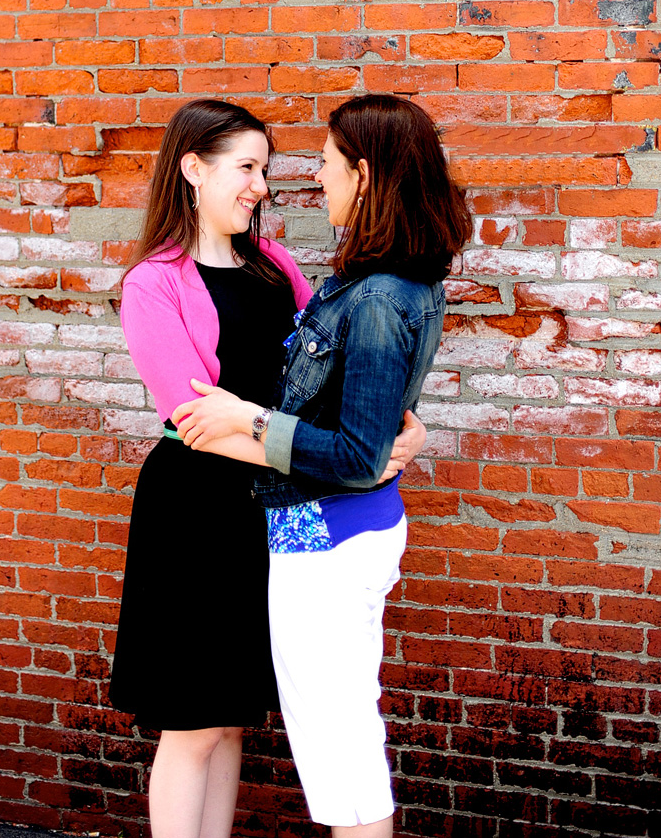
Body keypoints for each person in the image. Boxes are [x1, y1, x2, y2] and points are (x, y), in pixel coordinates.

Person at [108, 98, 425, 838]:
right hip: (194, 513)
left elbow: (335, 377)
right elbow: (198, 422)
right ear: (193, 167)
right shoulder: (153, 284)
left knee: (231, 718)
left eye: (265, 168)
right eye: (245, 167)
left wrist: (400, 431)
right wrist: (351, 460)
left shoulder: (274, 262)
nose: (261, 185)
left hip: (271, 512)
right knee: (191, 724)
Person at [172, 94, 472, 838]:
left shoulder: (375, 297)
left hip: (327, 540)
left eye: (331, 166)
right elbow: (371, 422)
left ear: (364, 176)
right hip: (333, 534)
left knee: (339, 754)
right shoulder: (383, 282)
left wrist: (250, 419)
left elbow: (355, 453)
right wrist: (408, 433)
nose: (317, 181)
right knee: (344, 740)